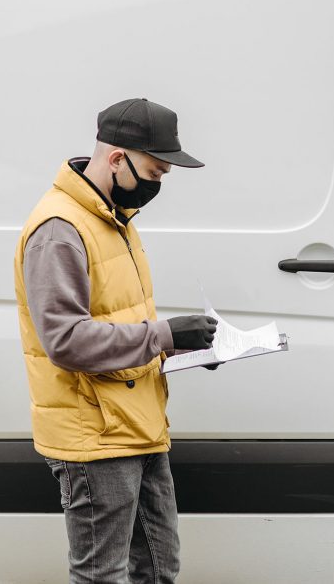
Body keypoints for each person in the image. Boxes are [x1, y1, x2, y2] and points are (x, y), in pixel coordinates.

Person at [12, 98, 219, 583]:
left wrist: (180, 348)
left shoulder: (113, 219)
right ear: (116, 158)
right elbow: (66, 341)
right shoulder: (60, 230)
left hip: (138, 425)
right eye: (155, 170)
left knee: (158, 570)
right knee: (103, 575)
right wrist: (164, 333)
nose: (159, 183)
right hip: (95, 437)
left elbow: (118, 324)